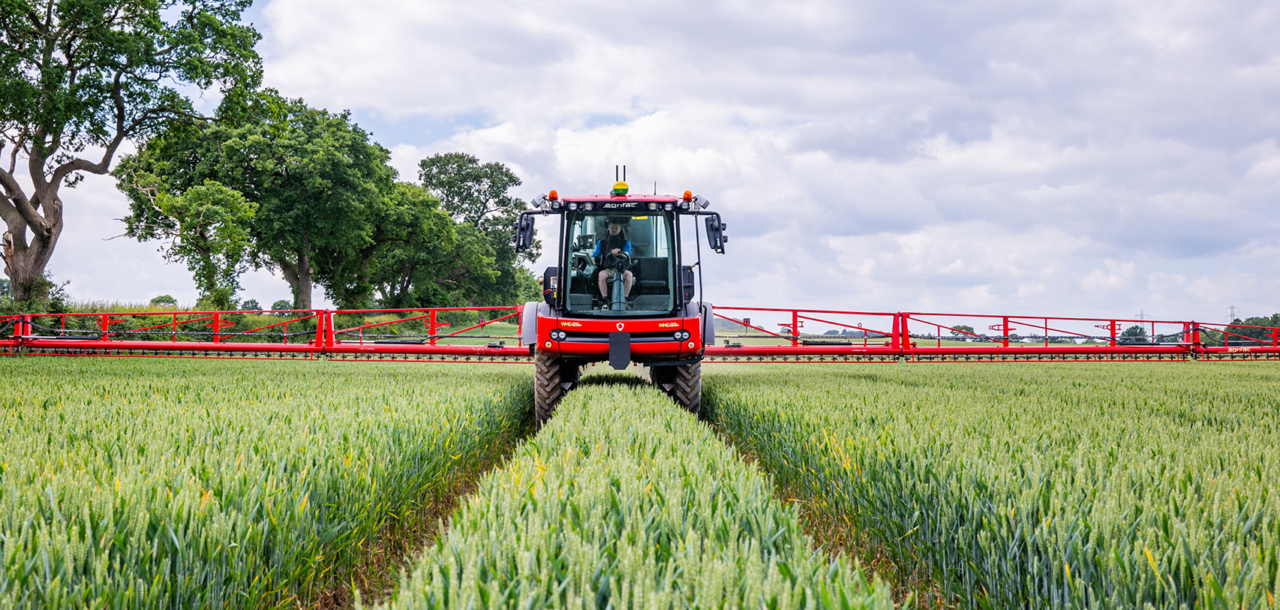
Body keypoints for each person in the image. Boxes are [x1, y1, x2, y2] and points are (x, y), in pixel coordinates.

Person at [593, 218, 633, 300]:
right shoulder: (601, 242)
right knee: (601, 275)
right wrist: (593, 258)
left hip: (622, 269)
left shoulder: (626, 242)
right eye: (612, 228)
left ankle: (625, 299)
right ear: (608, 228)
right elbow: (595, 254)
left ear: (620, 229)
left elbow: (627, 254)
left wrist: (619, 253)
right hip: (608, 269)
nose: (614, 230)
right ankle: (605, 299)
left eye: (616, 228)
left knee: (629, 275)